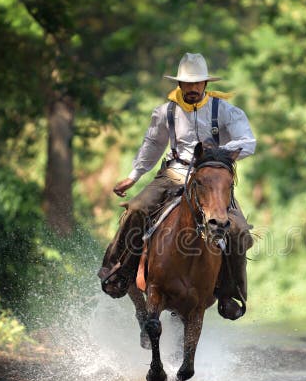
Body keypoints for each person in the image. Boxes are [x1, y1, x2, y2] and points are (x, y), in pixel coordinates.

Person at [98, 53, 255, 320]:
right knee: (136, 208)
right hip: (174, 173)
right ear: (179, 84)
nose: (192, 88)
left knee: (238, 230)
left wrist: (218, 154)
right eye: (187, 83)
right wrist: (133, 176)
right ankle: (118, 269)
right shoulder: (165, 112)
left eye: (197, 83)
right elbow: (152, 146)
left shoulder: (225, 110)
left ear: (205, 83)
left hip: (211, 178)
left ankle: (230, 292)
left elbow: (248, 141)